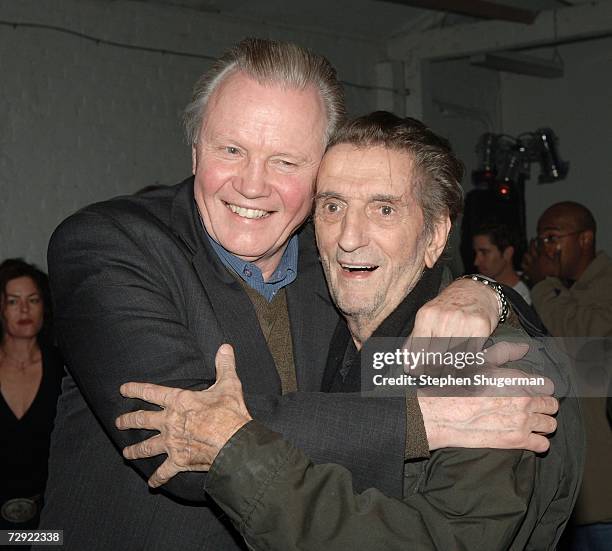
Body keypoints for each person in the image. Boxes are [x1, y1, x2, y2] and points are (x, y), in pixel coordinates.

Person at [39, 39, 557, 551]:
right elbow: (188, 445)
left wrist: (487, 291)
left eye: (286, 161)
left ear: (320, 173)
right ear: (196, 149)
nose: (252, 184)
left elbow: (436, 348)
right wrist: (425, 420)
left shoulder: (334, 261)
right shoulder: (110, 243)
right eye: (232, 149)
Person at [117, 112, 582, 550]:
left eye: (384, 210)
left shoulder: (480, 364)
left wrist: (237, 455)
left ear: (436, 236)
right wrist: (486, 287)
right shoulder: (321, 325)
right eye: (333, 206)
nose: (349, 236)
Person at [523, 201, 612, 551]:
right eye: (540, 238)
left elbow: (584, 338)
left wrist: (543, 285)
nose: (544, 248)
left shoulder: (604, 285)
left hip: (605, 497)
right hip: (573, 493)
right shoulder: (564, 290)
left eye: (552, 238)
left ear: (585, 239)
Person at [0, 259, 64, 535]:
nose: (24, 309)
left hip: (48, 515)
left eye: (33, 300)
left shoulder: (66, 369)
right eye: (13, 301)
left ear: (44, 307)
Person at [473, 223, 531, 304]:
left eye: (484, 252)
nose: (476, 262)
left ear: (507, 253)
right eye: (476, 253)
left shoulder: (526, 298)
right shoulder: (477, 289)